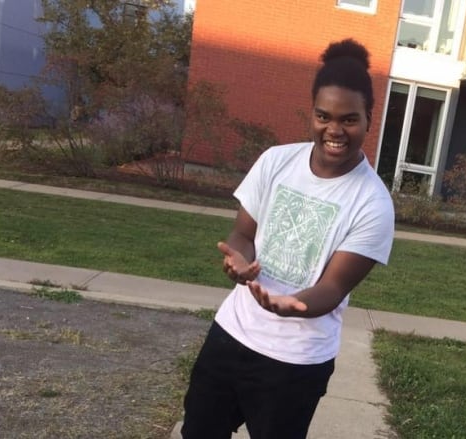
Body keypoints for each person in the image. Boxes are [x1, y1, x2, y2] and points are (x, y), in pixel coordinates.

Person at [181, 38, 395, 439]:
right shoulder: (277, 161)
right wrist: (239, 262)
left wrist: (291, 306)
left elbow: (333, 287)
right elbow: (243, 233)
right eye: (323, 116)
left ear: (370, 118)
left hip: (295, 362)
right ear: (311, 112)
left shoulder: (373, 204)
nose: (334, 130)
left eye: (349, 119)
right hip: (231, 334)